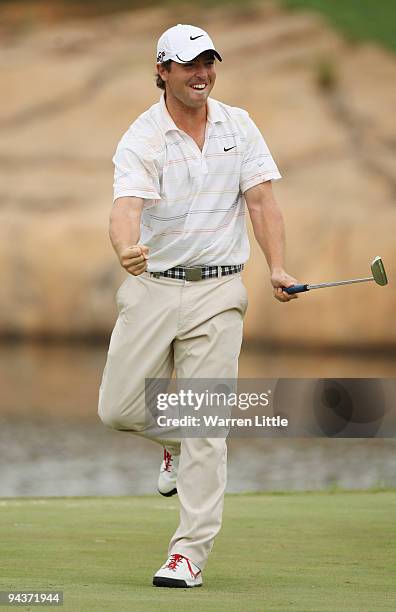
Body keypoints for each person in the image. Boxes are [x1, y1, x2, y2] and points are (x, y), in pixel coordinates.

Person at [98, 23, 298, 589]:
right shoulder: (143, 136)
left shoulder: (239, 125)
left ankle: (188, 554)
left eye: (208, 61)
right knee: (117, 409)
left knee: (206, 424)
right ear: (162, 70)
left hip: (218, 290)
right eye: (189, 64)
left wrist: (276, 266)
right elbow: (125, 205)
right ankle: (174, 445)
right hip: (153, 286)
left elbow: (262, 203)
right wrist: (124, 247)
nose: (202, 73)